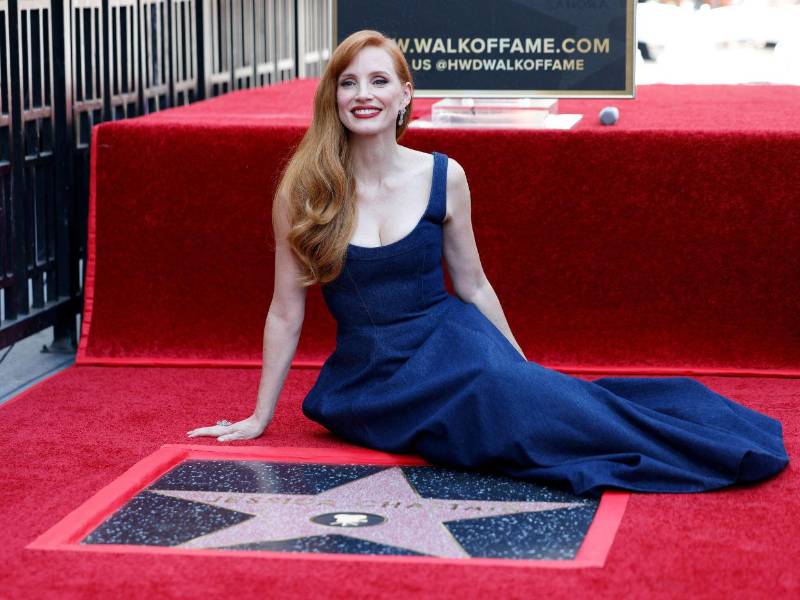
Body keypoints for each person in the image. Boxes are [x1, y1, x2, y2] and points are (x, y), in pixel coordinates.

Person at [187, 30, 789, 498]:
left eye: (378, 81)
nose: (363, 94)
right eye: (348, 83)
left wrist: (522, 366)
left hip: (455, 347)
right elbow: (285, 311)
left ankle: (698, 443)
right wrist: (259, 416)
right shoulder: (305, 191)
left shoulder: (444, 176)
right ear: (333, 97)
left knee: (526, 399)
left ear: (404, 95)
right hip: (371, 383)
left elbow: (473, 285)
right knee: (515, 424)